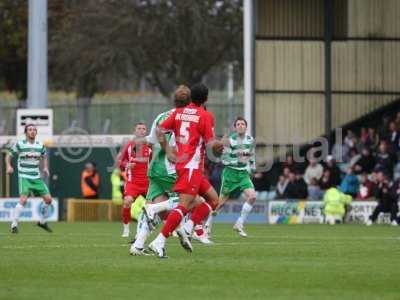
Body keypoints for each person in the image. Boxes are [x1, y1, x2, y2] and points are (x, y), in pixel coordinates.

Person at [147, 83, 222, 257]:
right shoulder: (205, 116)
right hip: (191, 167)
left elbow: (159, 131)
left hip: (184, 165)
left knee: (213, 200)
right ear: (206, 99)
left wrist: (167, 150)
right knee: (183, 206)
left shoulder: (179, 113)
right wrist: (222, 144)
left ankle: (189, 228)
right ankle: (159, 240)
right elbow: (212, 145)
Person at [130, 85, 191, 255]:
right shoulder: (183, 119)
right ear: (189, 102)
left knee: (159, 207)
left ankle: (137, 246)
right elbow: (175, 146)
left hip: (154, 167)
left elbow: (149, 141)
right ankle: (180, 229)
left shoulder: (161, 116)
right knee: (190, 199)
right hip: (169, 168)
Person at [212, 117, 257, 238]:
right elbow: (225, 160)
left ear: (246, 127)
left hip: (243, 174)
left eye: (243, 124)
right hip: (230, 173)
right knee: (219, 205)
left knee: (252, 196)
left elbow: (252, 156)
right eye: (238, 124)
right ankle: (206, 228)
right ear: (235, 127)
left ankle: (239, 223)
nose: (241, 126)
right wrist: (238, 159)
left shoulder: (250, 140)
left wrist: (252, 168)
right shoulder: (229, 141)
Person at [5, 124, 54, 233]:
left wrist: (45, 167)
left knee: (49, 200)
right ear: (26, 133)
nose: (32, 131)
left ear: (36, 132)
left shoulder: (40, 145)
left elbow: (44, 156)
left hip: (36, 177)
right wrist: (9, 166)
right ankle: (14, 225)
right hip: (24, 176)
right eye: (30, 130)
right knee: (23, 199)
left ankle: (42, 222)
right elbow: (8, 155)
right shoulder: (20, 144)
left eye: (34, 130)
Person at [119, 122, 151, 238]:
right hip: (133, 182)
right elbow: (120, 162)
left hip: (148, 182)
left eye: (144, 128)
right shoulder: (128, 146)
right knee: (127, 201)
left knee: (158, 205)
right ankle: (126, 229)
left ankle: (171, 228)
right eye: (139, 128)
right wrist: (127, 164)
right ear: (135, 131)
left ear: (146, 132)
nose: (141, 130)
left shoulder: (150, 146)